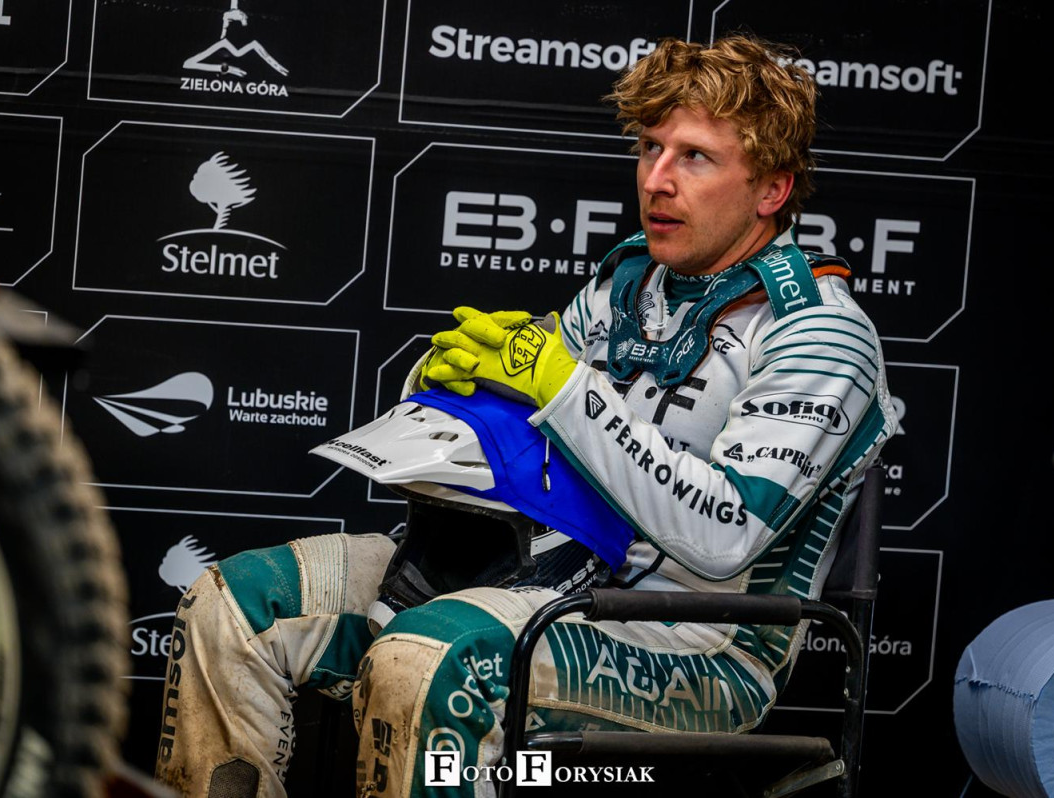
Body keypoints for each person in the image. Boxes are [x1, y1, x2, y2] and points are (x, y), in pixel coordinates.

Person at [154, 33, 897, 798]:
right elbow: (525, 425)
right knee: (234, 604)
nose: (656, 180)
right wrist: (457, 384)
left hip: (697, 644)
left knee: (429, 659)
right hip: (531, 568)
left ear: (770, 190)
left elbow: (723, 538)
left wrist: (564, 389)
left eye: (695, 158)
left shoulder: (819, 333)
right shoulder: (627, 285)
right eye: (650, 148)